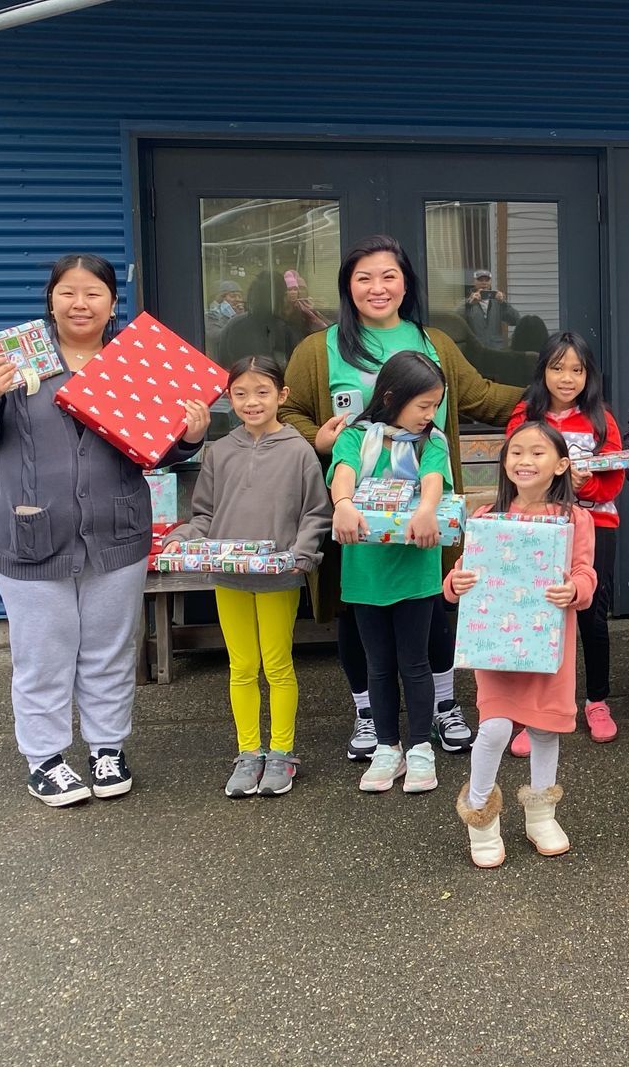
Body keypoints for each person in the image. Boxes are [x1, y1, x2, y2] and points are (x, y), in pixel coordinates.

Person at [0, 253, 210, 807]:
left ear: (113, 303)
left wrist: (189, 435)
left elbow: (158, 455)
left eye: (94, 293)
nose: (80, 303)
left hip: (116, 534)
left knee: (109, 651)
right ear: (51, 299)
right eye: (68, 292)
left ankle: (106, 748)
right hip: (30, 536)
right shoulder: (18, 363)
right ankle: (45, 759)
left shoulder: (134, 366)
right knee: (43, 653)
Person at [280, 236, 522, 764]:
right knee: (356, 612)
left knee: (432, 607)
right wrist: (320, 440)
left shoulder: (433, 339)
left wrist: (547, 394)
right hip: (353, 515)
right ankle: (369, 714)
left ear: (406, 282)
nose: (377, 287)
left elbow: (478, 394)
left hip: (424, 514)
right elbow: (288, 411)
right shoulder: (318, 349)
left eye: (389, 275)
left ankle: (441, 706)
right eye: (364, 277)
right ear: (348, 285)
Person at [161, 354, 331, 798]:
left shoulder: (300, 451)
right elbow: (203, 513)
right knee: (241, 667)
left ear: (282, 395)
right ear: (227, 397)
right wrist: (183, 538)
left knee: (277, 665)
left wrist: (302, 553)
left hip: (279, 577)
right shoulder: (220, 450)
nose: (251, 402)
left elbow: (316, 511)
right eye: (240, 394)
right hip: (229, 577)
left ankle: (282, 753)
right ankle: (248, 752)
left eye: (262, 392)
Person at [448, 419, 597, 867]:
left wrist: (575, 590)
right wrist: (456, 583)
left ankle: (541, 815)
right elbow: (458, 578)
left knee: (545, 728)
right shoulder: (485, 517)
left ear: (562, 465)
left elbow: (587, 573)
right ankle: (481, 816)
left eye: (537, 453)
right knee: (493, 728)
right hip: (496, 646)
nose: (524, 461)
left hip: (548, 646)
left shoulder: (576, 518)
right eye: (516, 452)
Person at [329, 349, 454, 796]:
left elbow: (436, 481)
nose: (429, 414)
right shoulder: (357, 437)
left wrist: (425, 508)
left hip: (415, 570)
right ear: (391, 396)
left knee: (415, 661)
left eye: (435, 404)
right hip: (365, 572)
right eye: (423, 405)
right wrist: (343, 505)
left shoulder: (431, 442)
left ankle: (421, 747)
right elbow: (342, 474)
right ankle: (387, 747)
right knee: (378, 664)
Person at [504, 332, 626, 743]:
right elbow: (515, 470)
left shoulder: (600, 419)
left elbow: (612, 485)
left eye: (577, 369)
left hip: (596, 525)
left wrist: (581, 488)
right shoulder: (524, 415)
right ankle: (529, 711)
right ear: (543, 371)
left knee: (592, 612)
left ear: (589, 375)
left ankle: (596, 700)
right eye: (558, 368)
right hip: (536, 526)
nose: (567, 378)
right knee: (536, 613)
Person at [463, 270, 521, 351]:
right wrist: (469, 303)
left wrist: (503, 303)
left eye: (487, 280)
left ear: (490, 282)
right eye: (480, 280)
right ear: (474, 282)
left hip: (496, 351)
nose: (484, 283)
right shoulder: (468, 302)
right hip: (476, 350)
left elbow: (516, 320)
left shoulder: (497, 302)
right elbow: (456, 320)